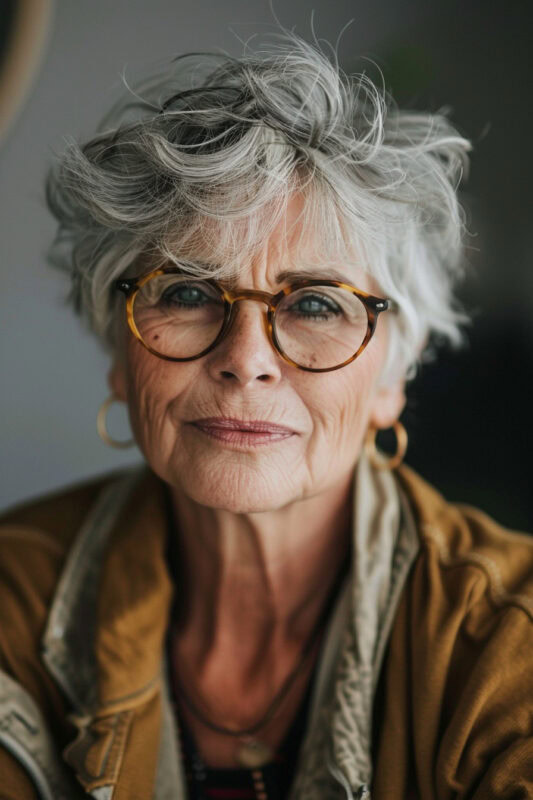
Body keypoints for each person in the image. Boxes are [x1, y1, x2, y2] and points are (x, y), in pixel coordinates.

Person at [0, 32, 531, 800]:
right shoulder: (15, 594)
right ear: (119, 353)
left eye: (316, 303)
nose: (246, 358)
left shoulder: (505, 641)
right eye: (186, 292)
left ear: (392, 377)